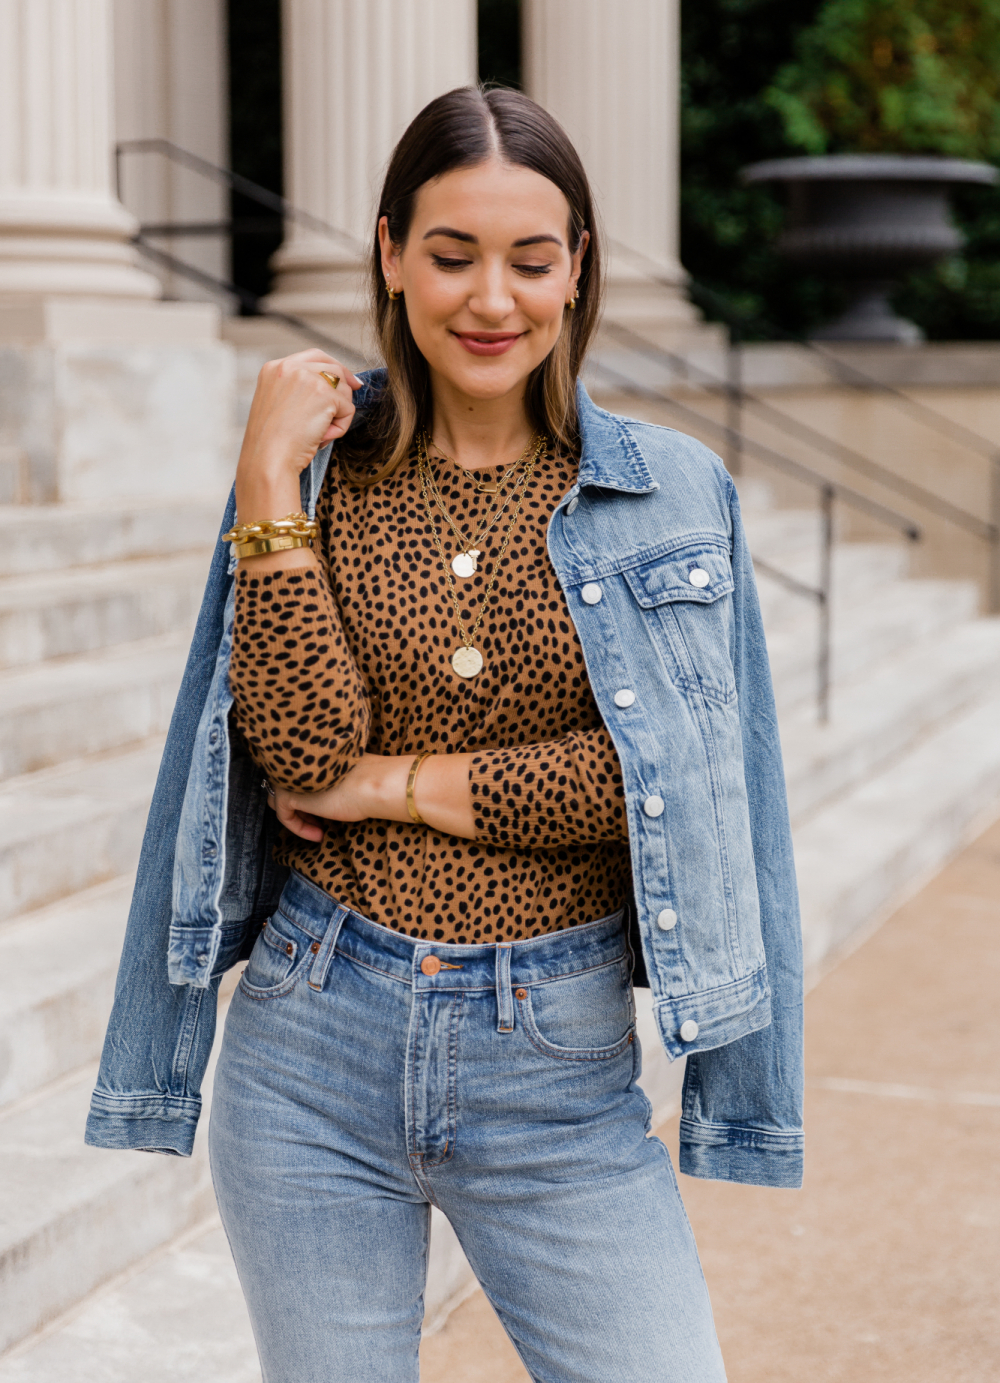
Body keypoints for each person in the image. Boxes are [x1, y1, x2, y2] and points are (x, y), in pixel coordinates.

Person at [87, 86, 803, 1383]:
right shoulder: (317, 475)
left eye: (531, 261)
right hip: (313, 1042)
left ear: (578, 269)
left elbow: (669, 780)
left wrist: (398, 783)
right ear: (388, 255)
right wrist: (262, 484)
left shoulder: (670, 492)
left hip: (561, 1066)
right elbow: (300, 757)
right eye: (452, 254)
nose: (492, 299)